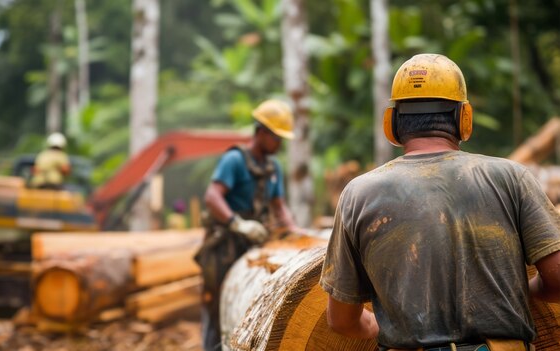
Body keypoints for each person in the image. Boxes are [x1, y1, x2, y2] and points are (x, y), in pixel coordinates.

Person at [319, 53, 560, 351]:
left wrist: (374, 324)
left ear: (392, 122)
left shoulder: (358, 193)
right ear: (464, 118)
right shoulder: (511, 177)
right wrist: (529, 291)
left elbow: (341, 320)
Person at [194, 99, 300, 351]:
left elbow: (279, 206)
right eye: (276, 137)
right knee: (217, 305)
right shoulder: (235, 160)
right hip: (225, 245)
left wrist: (295, 232)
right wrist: (237, 223)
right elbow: (212, 196)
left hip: (254, 245)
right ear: (261, 131)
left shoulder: (274, 167)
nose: (280, 143)